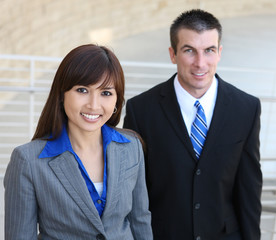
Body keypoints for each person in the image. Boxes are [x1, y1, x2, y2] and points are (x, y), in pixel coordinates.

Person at [123, 9, 262, 240]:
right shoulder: (141, 110)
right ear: (173, 54)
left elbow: (249, 189)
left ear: (219, 53)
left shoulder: (246, 108)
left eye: (209, 50)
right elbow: (133, 191)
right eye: (189, 51)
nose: (200, 63)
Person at [4, 44, 153, 240]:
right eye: (82, 90)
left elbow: (140, 222)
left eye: (106, 93)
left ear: (117, 100)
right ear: (61, 94)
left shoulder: (132, 147)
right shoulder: (28, 160)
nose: (94, 105)